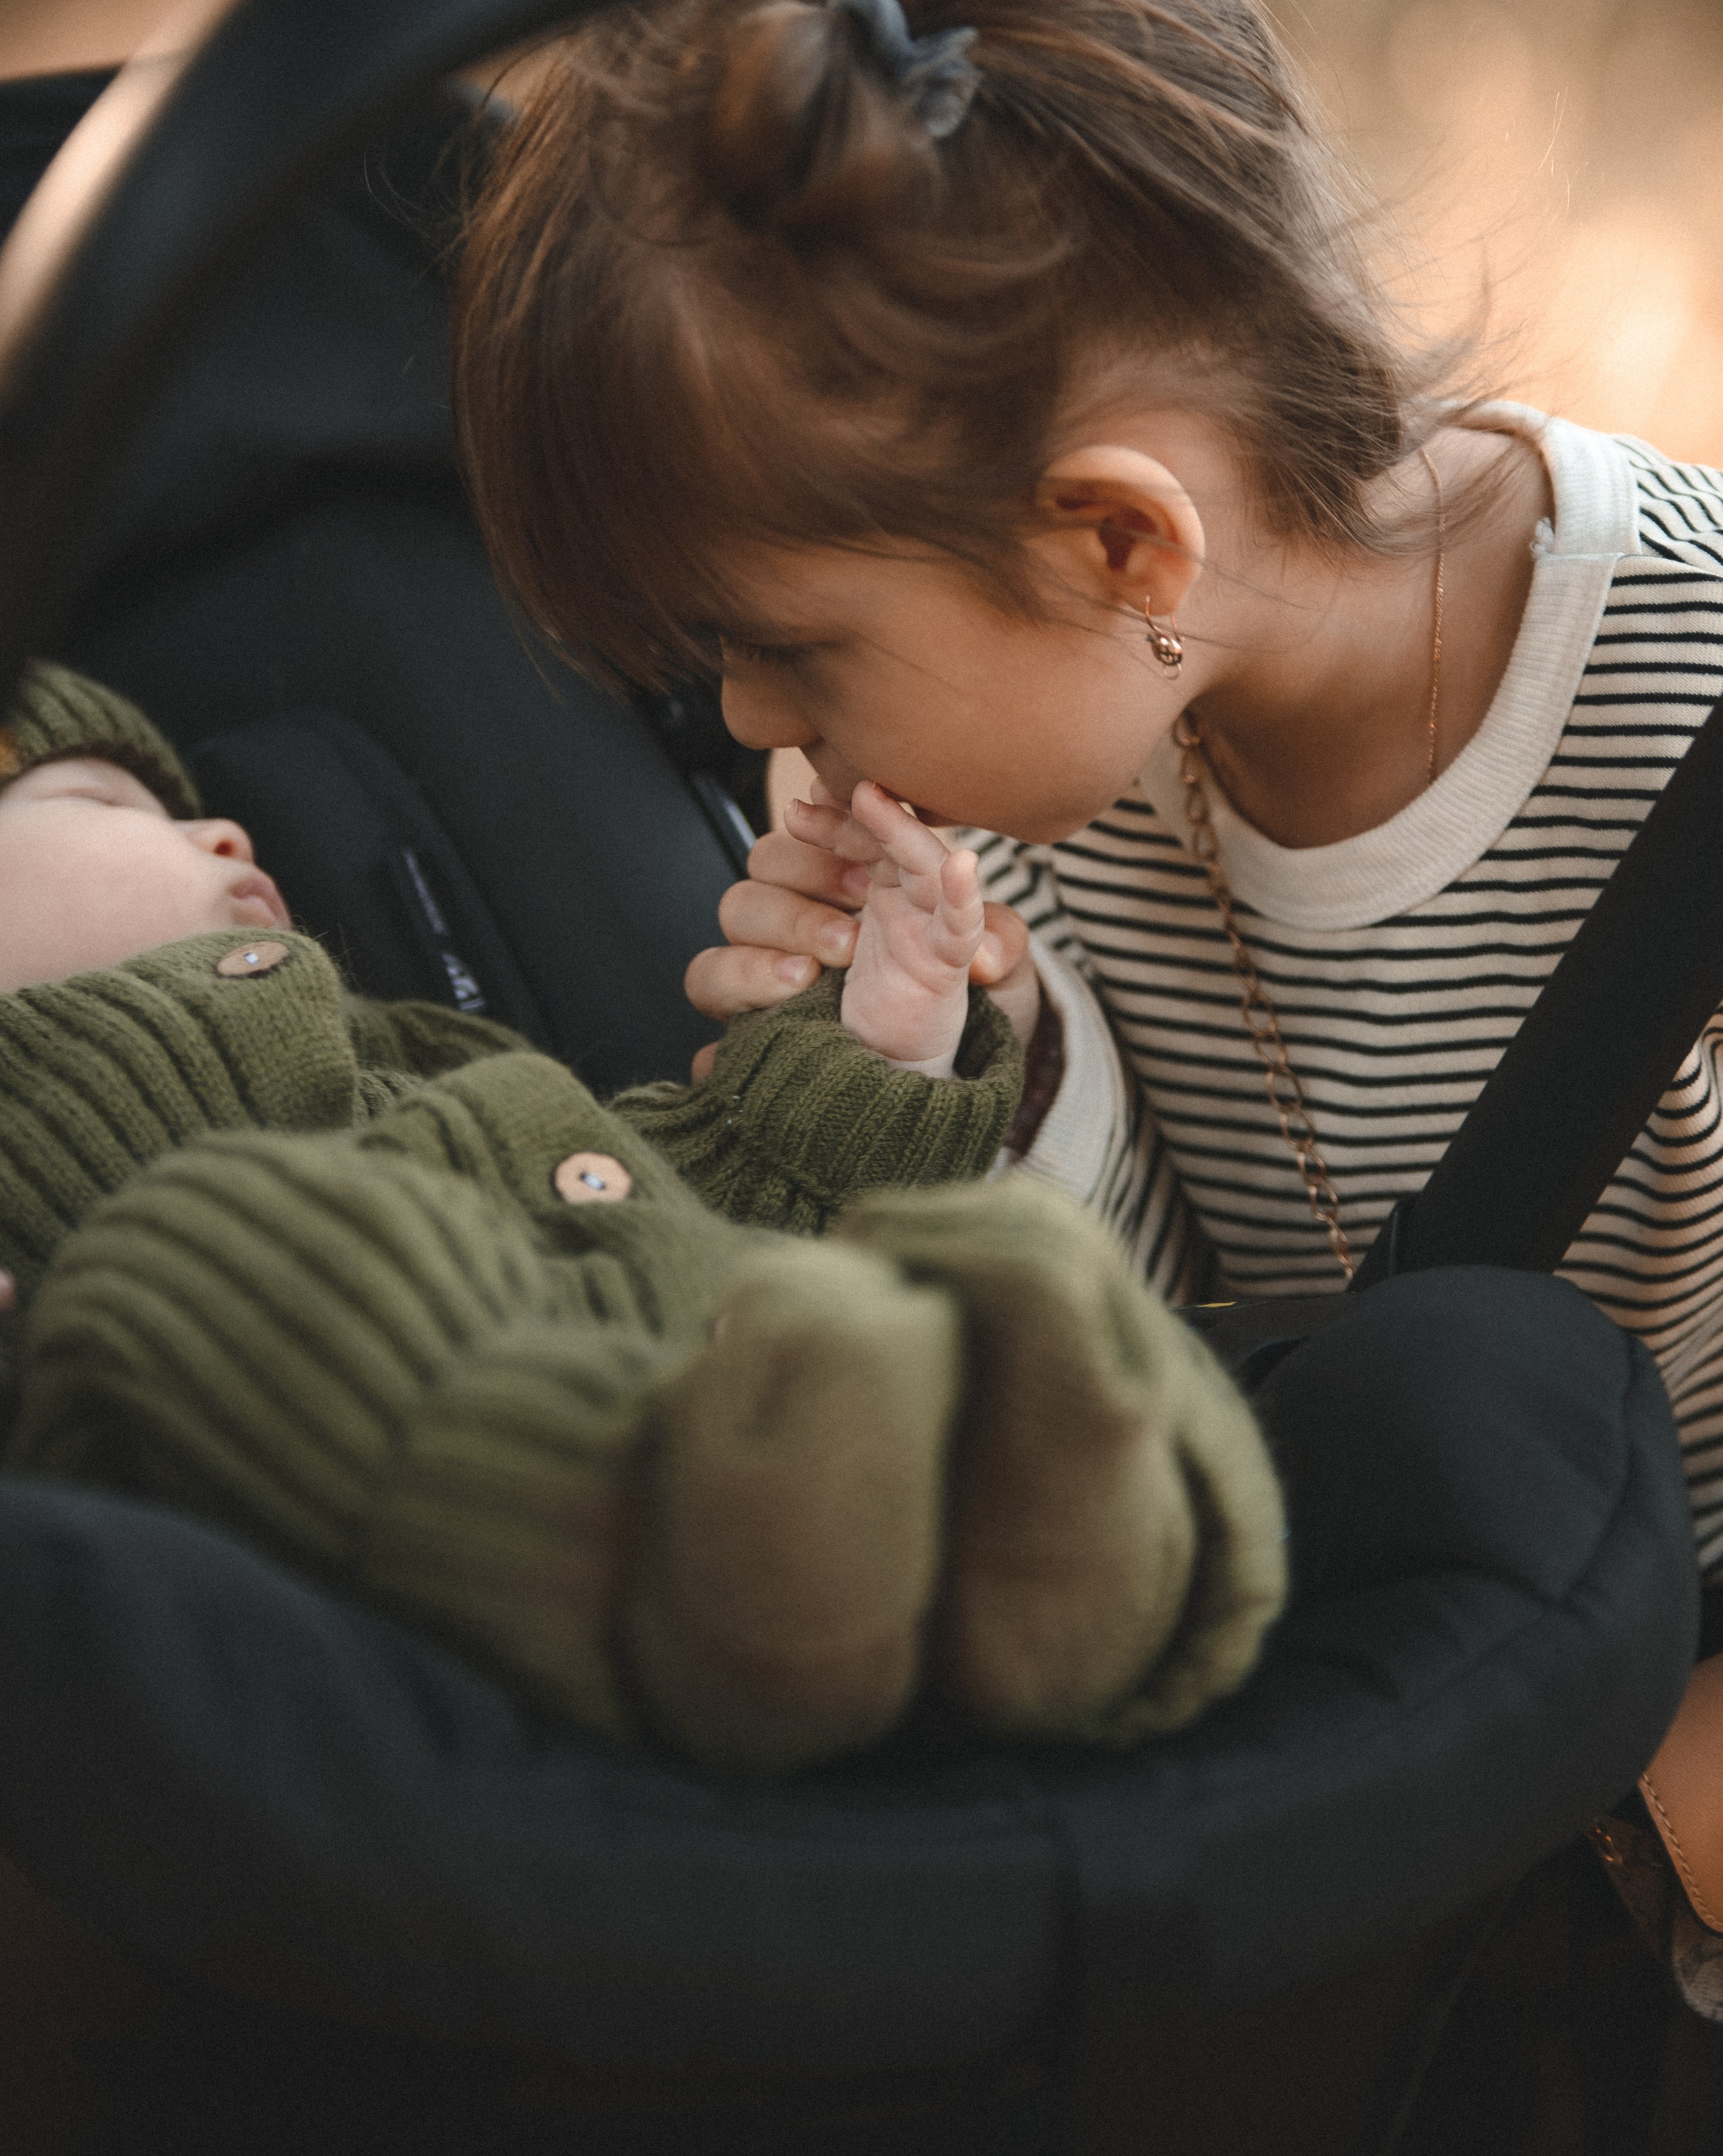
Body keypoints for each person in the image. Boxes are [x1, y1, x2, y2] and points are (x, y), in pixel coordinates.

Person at [451, 0, 1723, 1579]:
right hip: (1403, 1671)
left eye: (784, 644)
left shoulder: (1680, 685)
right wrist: (972, 1066)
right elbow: (1176, 1356)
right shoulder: (1039, 799)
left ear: (1120, 544)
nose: (750, 719)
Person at [0, 661, 1285, 1767]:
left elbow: (666, 1202)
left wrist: (875, 1049)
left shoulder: (403, 1058)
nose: (224, 833)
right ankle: (903, 1529)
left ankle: (995, 1510)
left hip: (704, 1375)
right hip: (469, 1543)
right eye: (101, 802)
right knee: (204, 1273)